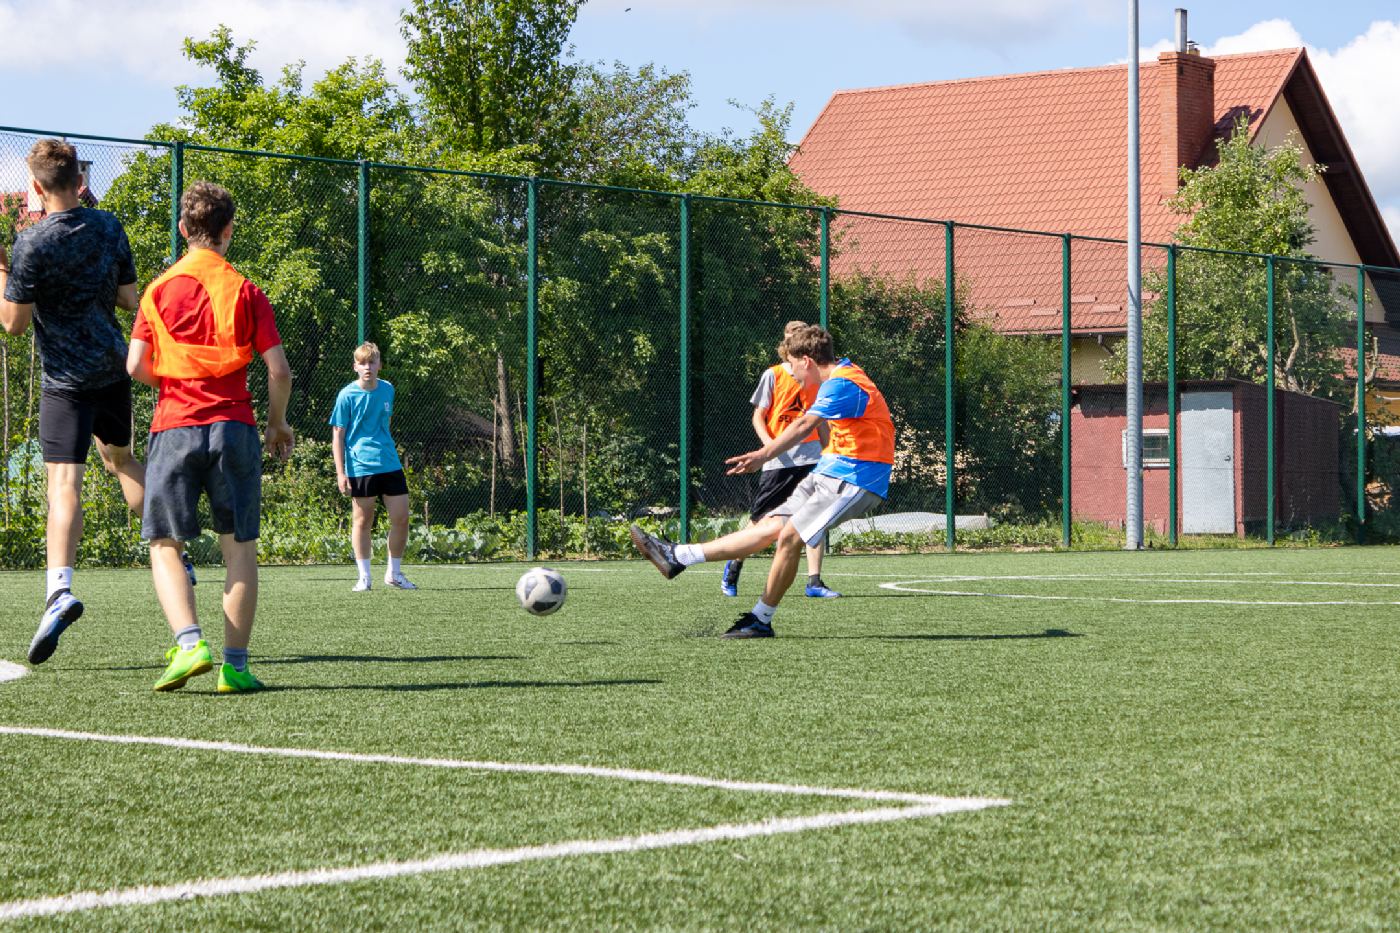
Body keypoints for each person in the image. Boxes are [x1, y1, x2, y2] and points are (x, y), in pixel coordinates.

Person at [127, 181, 294, 693]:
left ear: (183, 229)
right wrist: (277, 423)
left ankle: (188, 643)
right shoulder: (246, 290)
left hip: (174, 425)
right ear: (229, 231)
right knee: (239, 548)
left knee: (164, 542)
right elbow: (279, 371)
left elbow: (135, 364)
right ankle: (235, 668)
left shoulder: (158, 289)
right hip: (234, 427)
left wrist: (175, 385)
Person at [630, 325, 894, 638]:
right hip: (830, 470)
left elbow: (804, 425)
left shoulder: (843, 383)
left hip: (855, 477)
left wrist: (762, 455)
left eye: (792, 365)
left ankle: (760, 619)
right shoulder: (838, 377)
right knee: (770, 525)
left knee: (790, 536)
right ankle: (678, 556)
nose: (791, 373)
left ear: (807, 361)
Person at [0, 138, 148, 665]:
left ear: (36, 187)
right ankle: (171, 549)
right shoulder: (109, 226)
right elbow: (129, 299)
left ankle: (59, 591)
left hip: (65, 382)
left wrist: (2, 270)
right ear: (79, 181)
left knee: (64, 484)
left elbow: (13, 325)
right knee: (122, 459)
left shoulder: (30, 242)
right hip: (112, 369)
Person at [720, 321, 840, 600]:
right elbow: (758, 416)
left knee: (815, 517)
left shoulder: (815, 377)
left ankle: (814, 581)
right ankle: (734, 563)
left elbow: (818, 420)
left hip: (811, 458)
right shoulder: (773, 375)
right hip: (779, 460)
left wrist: (828, 451)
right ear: (786, 344)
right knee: (761, 520)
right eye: (790, 336)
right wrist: (769, 448)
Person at [329, 342, 417, 592]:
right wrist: (341, 473)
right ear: (355, 366)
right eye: (362, 363)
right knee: (363, 521)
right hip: (360, 467)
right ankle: (364, 577)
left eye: (372, 362)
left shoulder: (388, 389)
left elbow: (385, 423)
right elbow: (338, 436)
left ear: (379, 364)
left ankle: (394, 573)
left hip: (389, 463)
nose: (367, 367)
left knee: (401, 518)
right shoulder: (346, 395)